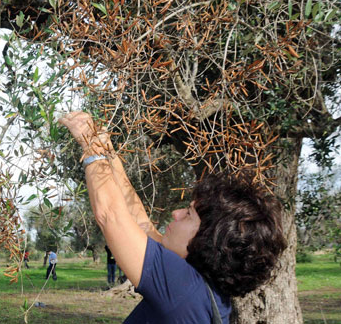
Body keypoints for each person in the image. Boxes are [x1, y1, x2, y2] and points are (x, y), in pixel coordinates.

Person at [59, 112, 287, 324]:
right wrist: (108, 152)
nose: (175, 214)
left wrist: (91, 145)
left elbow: (111, 215)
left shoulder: (182, 289)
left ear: (207, 240)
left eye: (188, 215)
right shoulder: (203, 289)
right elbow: (139, 222)